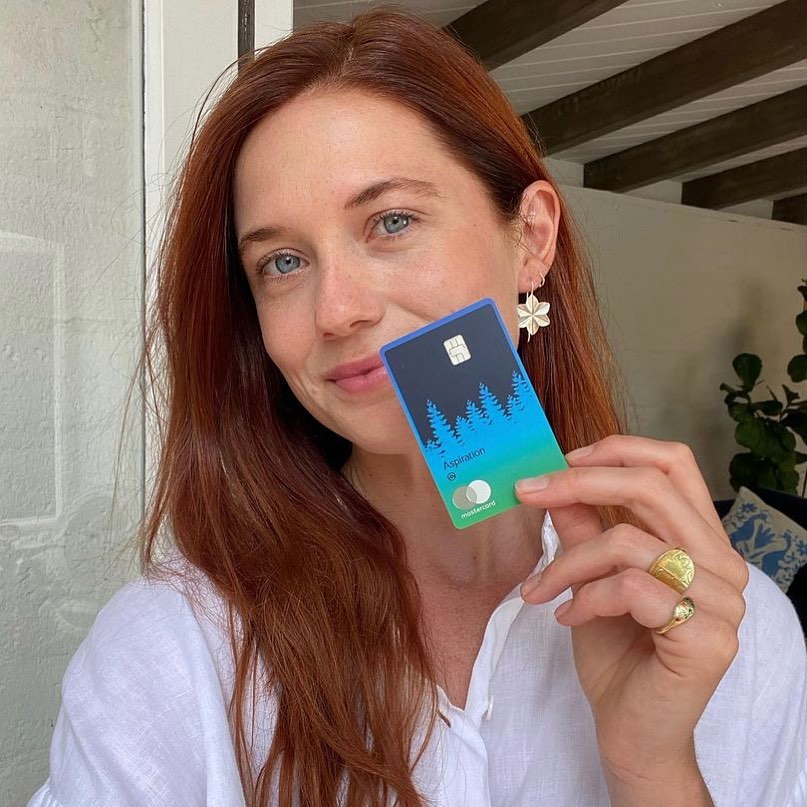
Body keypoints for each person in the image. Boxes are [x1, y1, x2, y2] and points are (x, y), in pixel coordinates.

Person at [27, 7, 807, 807]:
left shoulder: (732, 632)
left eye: (391, 221)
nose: (337, 309)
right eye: (283, 261)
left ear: (530, 239)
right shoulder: (174, 650)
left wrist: (652, 770)